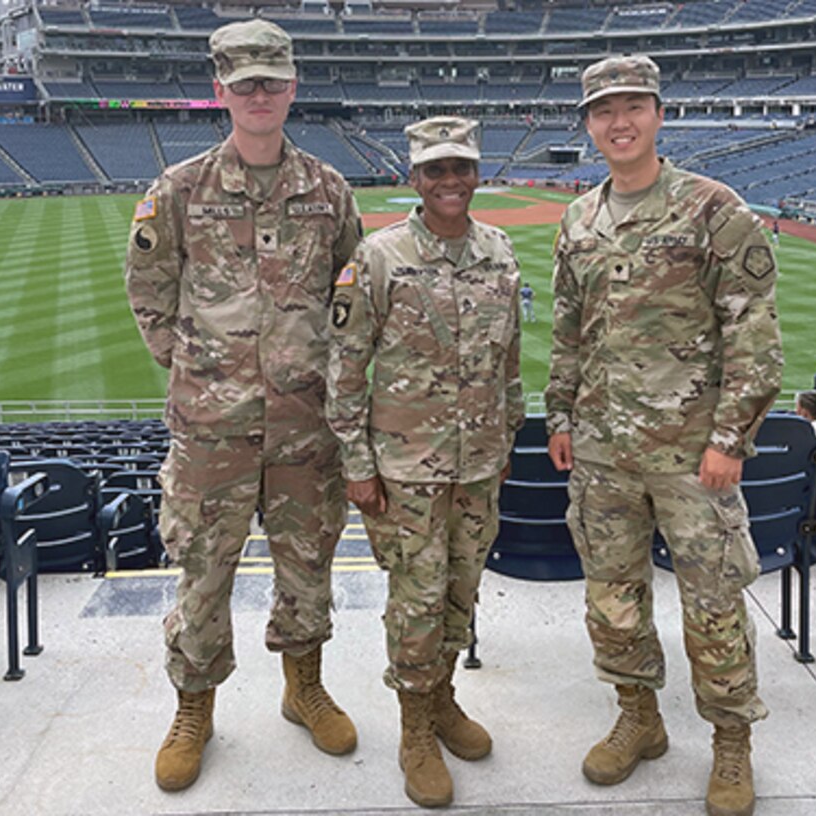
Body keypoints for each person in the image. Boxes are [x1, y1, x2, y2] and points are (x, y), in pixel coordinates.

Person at [124, 18, 363, 793]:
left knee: (308, 566)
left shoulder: (329, 191)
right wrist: (195, 367)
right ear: (220, 91)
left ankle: (304, 687)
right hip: (210, 431)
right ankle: (194, 708)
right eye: (245, 83)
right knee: (202, 571)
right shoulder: (179, 189)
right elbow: (148, 290)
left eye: (273, 81)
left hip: (305, 428)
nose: (260, 94)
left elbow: (350, 298)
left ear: (293, 89)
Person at [545, 55, 783, 816]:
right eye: (603, 111)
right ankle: (638, 718)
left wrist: (730, 439)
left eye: (633, 107)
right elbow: (569, 331)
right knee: (612, 599)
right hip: (602, 451)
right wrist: (560, 415)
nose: (618, 122)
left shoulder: (714, 209)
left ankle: (731, 743)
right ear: (588, 124)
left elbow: (754, 335)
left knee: (713, 605)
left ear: (658, 113)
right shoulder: (578, 220)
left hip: (692, 455)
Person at [327, 116, 524, 809]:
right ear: (414, 177)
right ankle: (414, 728)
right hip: (405, 468)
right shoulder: (378, 256)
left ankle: (443, 699)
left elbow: (508, 358)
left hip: (478, 464)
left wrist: (506, 438)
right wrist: (357, 464)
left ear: (476, 174)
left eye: (460, 167)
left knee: (461, 594)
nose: (449, 181)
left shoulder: (499, 251)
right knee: (416, 602)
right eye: (435, 169)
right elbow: (345, 369)